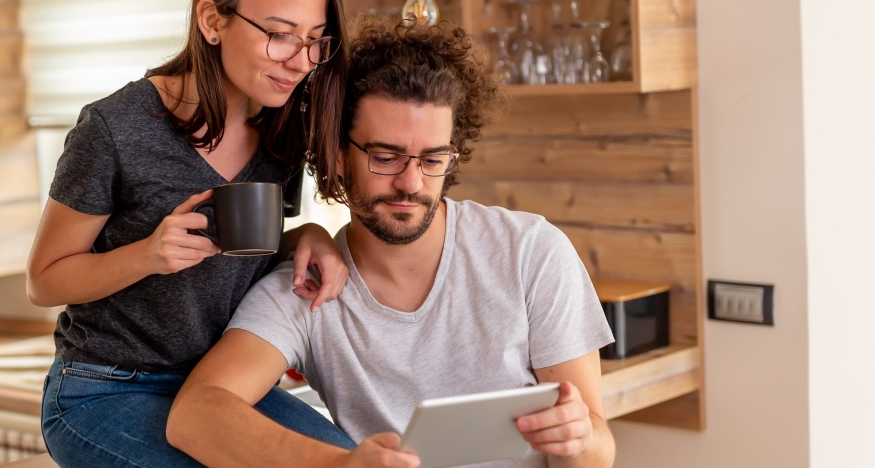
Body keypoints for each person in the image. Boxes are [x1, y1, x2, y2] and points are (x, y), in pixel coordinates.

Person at [167, 20, 616, 468]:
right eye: (385, 157)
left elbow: (597, 447)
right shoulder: (307, 289)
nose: (411, 183)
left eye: (433, 159)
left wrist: (577, 440)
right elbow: (194, 413)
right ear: (338, 156)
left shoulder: (531, 252)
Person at [27, 1, 358, 467]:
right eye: (281, 34)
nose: (302, 60)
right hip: (103, 388)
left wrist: (307, 233)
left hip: (219, 386)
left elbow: (242, 246)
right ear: (211, 21)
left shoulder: (284, 129)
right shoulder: (114, 128)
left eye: (315, 39)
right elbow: (43, 280)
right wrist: (146, 255)